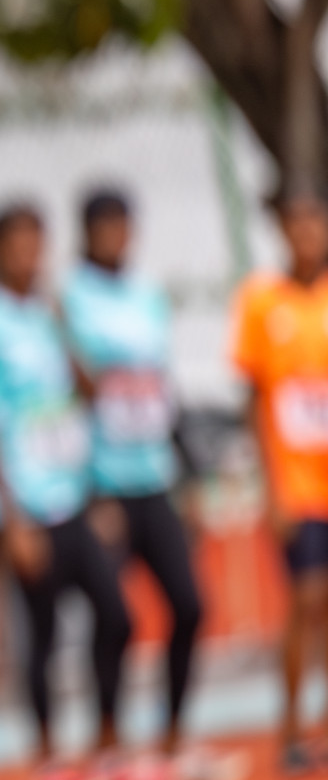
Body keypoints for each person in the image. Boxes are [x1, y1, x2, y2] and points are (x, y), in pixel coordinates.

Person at [0, 204, 130, 778]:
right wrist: (12, 520)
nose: (29, 255)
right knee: (43, 633)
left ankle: (107, 735)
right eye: (18, 245)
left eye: (37, 243)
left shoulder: (50, 312)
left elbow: (88, 394)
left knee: (116, 614)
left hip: (73, 495)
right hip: (28, 507)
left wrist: (62, 328)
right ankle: (47, 750)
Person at [61, 188, 205, 773]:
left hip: (155, 477)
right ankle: (108, 739)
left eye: (124, 226)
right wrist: (89, 490)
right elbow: (65, 398)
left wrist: (188, 472)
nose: (117, 237)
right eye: (106, 227)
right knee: (114, 616)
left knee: (190, 606)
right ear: (87, 233)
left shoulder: (148, 294)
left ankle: (172, 735)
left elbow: (162, 382)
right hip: (105, 485)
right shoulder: (68, 299)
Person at [231, 187, 328, 774]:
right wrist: (270, 489)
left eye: (314, 220)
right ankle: (291, 724)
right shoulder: (262, 302)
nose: (306, 232)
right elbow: (251, 397)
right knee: (307, 597)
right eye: (295, 223)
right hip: (296, 485)